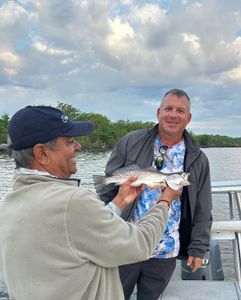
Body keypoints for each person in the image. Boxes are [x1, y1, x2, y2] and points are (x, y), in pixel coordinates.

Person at [0, 105, 180, 300]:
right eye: (70, 141)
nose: (78, 146)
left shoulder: (8, 204)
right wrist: (164, 202)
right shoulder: (73, 202)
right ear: (42, 153)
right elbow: (141, 244)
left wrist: (118, 202)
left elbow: (73, 235)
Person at [98, 89, 213, 300]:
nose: (173, 115)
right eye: (168, 108)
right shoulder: (131, 141)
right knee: (113, 295)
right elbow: (107, 187)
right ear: (158, 112)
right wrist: (100, 228)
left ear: (188, 118)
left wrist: (198, 248)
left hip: (165, 250)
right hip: (125, 243)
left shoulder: (198, 158)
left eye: (180, 110)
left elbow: (203, 207)